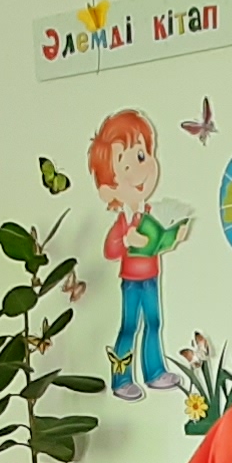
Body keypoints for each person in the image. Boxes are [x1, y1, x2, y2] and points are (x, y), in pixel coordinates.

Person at [91, 109, 188, 403]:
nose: (140, 172)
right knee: (129, 326)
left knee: (155, 323)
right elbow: (110, 250)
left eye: (142, 157)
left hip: (151, 276)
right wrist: (126, 240)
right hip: (132, 282)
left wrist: (175, 236)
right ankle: (121, 379)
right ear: (109, 189)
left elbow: (158, 242)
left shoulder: (151, 214)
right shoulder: (124, 220)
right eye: (126, 167)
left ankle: (155, 371)